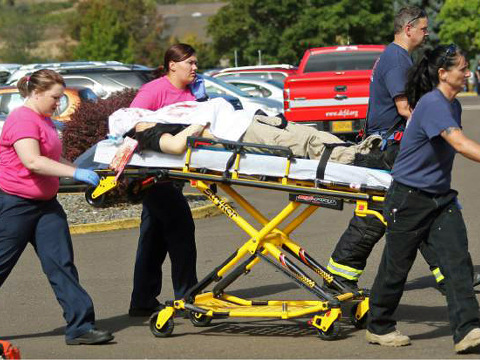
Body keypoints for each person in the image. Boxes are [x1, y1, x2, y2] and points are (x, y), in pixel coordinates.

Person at [326, 6, 458, 294]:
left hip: (387, 148)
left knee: (394, 213)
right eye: (423, 28)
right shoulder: (397, 60)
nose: (426, 33)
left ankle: (339, 275)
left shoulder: (396, 56)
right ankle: (448, 274)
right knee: (409, 209)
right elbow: (404, 108)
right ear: (408, 28)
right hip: (387, 151)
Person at [366, 44, 480, 354]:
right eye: (463, 69)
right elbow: (458, 143)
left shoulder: (451, 104)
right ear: (443, 74)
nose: (468, 73)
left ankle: (468, 329)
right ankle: (379, 326)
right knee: (396, 267)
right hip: (408, 198)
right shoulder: (433, 104)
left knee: (457, 261)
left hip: (440, 198)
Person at [0, 69, 114, 345]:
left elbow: (52, 155)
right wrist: (75, 174)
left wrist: (80, 169)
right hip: (16, 205)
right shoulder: (22, 120)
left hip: (45, 206)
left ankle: (80, 327)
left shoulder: (43, 119)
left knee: (61, 264)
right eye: (55, 97)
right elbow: (33, 161)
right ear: (36, 93)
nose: (58, 103)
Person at [127, 43, 201, 317]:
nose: (195, 68)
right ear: (173, 65)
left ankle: (143, 300)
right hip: (152, 176)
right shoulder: (154, 90)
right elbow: (133, 123)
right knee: (181, 229)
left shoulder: (191, 92)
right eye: (190, 63)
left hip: (173, 174)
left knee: (154, 236)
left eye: (195, 63)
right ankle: (188, 296)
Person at [109, 97, 383, 165]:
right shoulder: (149, 134)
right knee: (304, 144)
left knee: (309, 135)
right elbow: (176, 147)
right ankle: (363, 160)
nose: (139, 113)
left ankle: (366, 151)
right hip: (239, 135)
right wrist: (201, 122)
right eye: (133, 116)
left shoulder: (158, 118)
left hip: (248, 122)